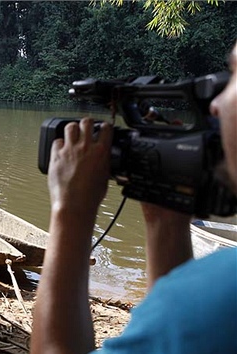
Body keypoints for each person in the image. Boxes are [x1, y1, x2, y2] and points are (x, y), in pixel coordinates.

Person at [31, 41, 237, 353]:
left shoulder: (223, 293)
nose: (216, 104)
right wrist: (164, 224)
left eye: (234, 75)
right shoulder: (204, 300)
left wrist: (70, 209)